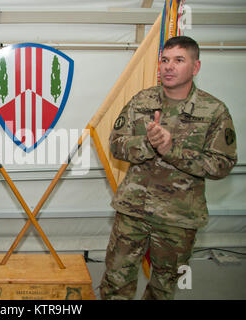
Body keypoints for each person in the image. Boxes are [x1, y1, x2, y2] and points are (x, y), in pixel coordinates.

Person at [99, 36, 237, 300]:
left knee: (163, 287)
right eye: (164, 60)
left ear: (195, 67)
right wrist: (148, 144)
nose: (168, 67)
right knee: (116, 280)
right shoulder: (142, 101)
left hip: (178, 218)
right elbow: (116, 145)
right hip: (133, 211)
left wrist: (172, 150)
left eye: (178, 60)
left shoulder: (214, 111)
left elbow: (222, 164)